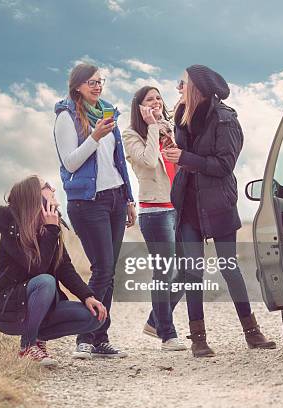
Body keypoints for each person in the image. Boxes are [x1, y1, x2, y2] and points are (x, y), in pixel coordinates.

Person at [163, 65, 276, 357]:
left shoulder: (226, 119)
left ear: (196, 88)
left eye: (182, 82)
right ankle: (198, 339)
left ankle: (253, 332)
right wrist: (173, 146)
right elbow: (184, 155)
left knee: (229, 267)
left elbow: (224, 165)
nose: (178, 87)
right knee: (192, 272)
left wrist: (185, 157)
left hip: (218, 203)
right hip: (188, 205)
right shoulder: (181, 115)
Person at [0, 176, 107, 367]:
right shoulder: (12, 229)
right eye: (46, 186)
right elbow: (36, 268)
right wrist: (52, 231)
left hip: (38, 308)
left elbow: (65, 268)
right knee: (45, 281)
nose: (53, 188)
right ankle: (27, 346)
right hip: (9, 311)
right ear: (33, 196)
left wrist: (87, 296)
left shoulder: (49, 227)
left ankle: (37, 338)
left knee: (95, 316)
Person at [53, 63, 136, 359]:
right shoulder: (66, 116)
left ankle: (99, 339)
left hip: (115, 197)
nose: (97, 86)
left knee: (109, 271)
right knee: (102, 268)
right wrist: (95, 136)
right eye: (91, 82)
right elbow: (70, 163)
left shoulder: (107, 111)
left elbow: (118, 162)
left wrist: (128, 198)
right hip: (87, 202)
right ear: (77, 85)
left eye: (100, 81)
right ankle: (85, 337)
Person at [122, 86, 187, 351]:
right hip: (155, 211)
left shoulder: (169, 129)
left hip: (179, 208)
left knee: (187, 271)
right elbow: (148, 161)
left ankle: (155, 320)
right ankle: (167, 335)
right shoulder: (130, 134)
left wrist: (165, 130)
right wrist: (151, 126)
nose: (156, 102)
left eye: (159, 97)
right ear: (139, 106)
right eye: (150, 99)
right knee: (163, 271)